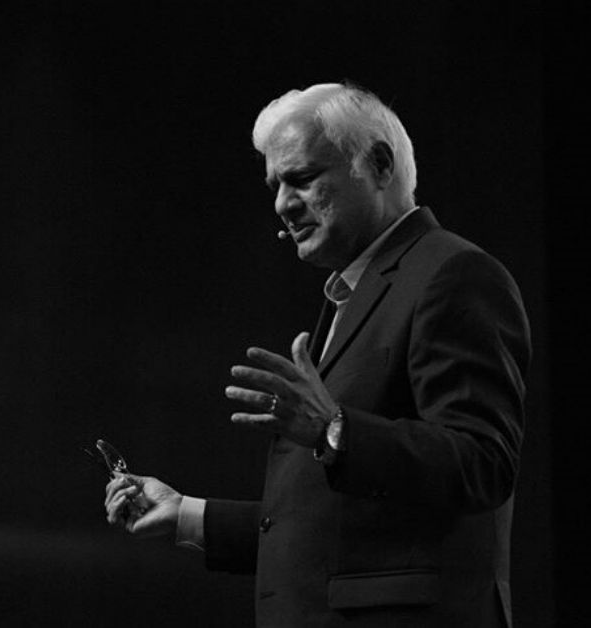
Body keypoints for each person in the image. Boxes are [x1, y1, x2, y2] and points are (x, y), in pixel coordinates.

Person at [104, 82, 531, 627]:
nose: (282, 204)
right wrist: (187, 515)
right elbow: (330, 530)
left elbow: (484, 464)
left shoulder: (453, 274)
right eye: (275, 185)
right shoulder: (353, 291)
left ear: (378, 165)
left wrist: (335, 429)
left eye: (302, 179)